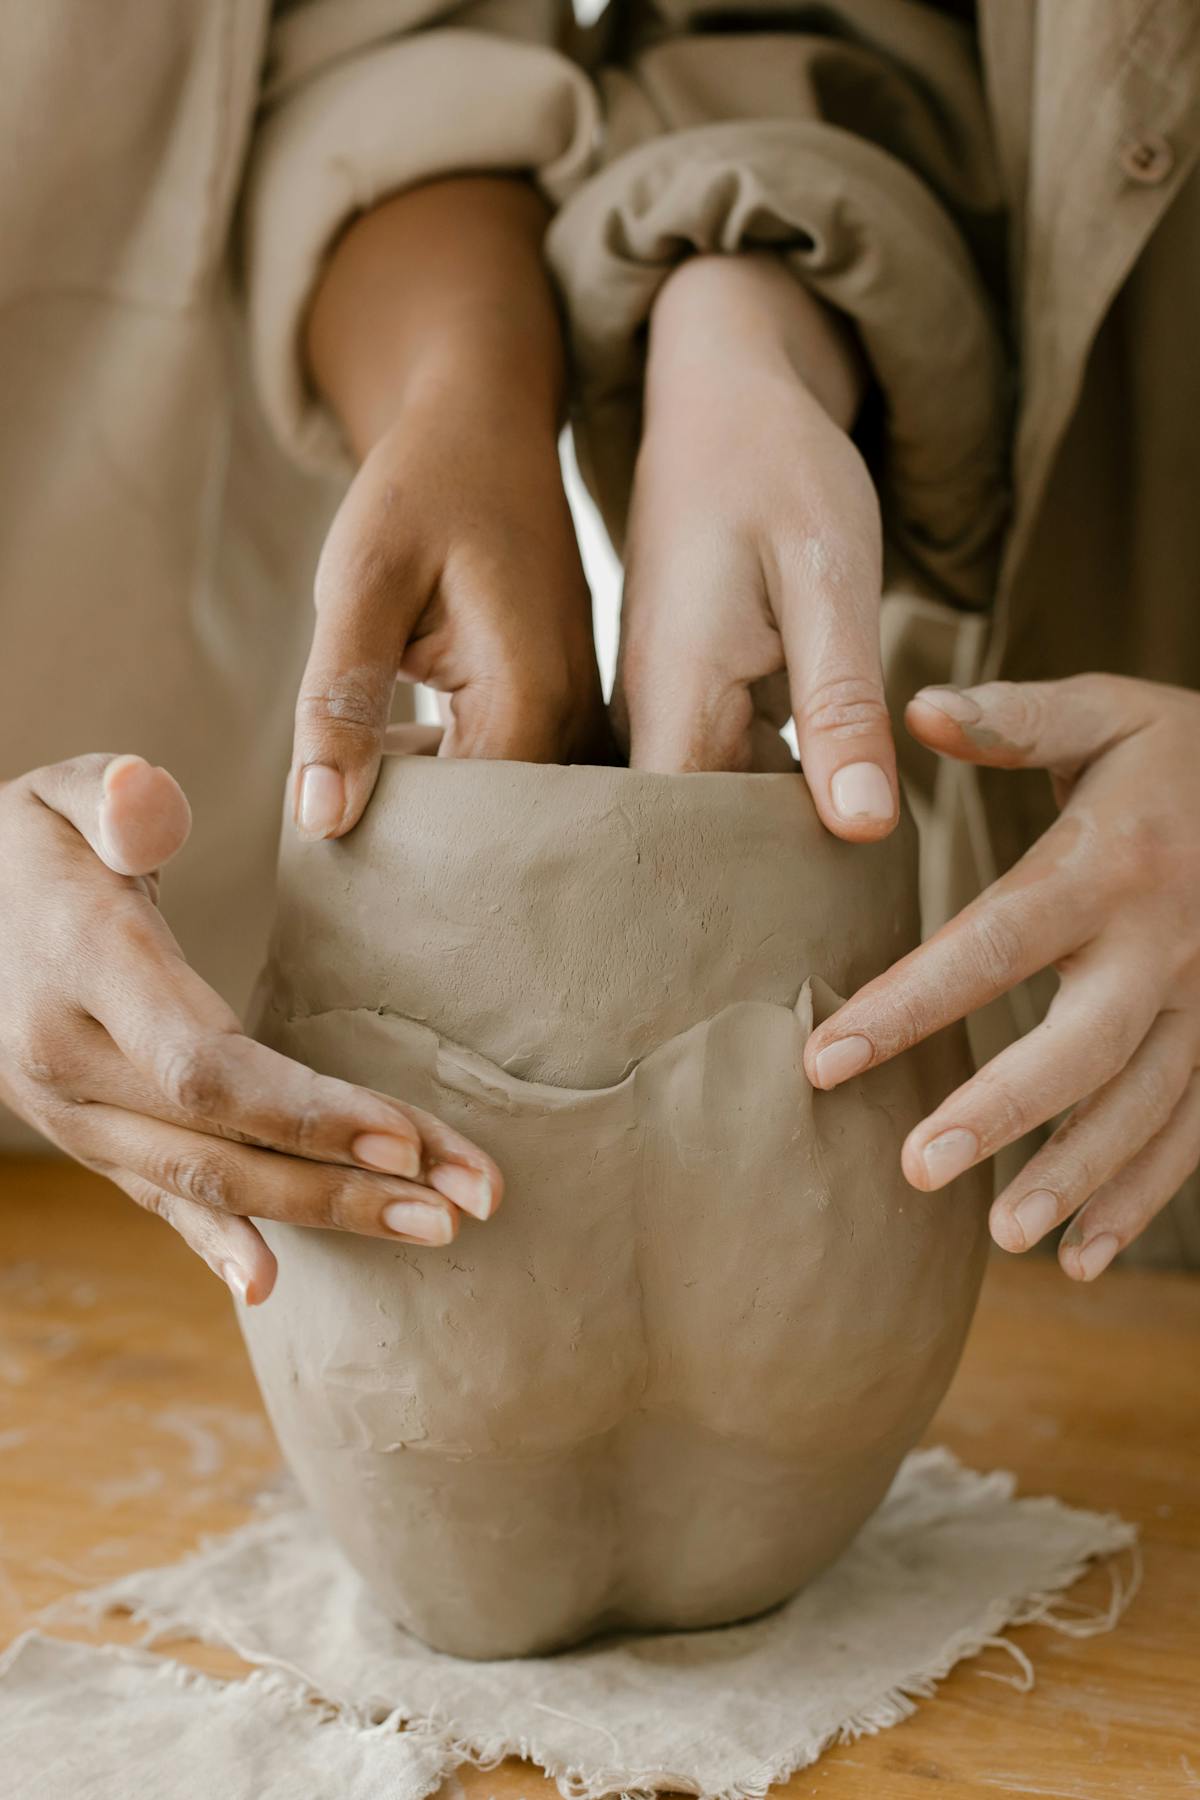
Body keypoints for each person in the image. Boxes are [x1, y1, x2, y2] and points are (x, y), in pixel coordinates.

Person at [2, 1, 1196, 1299]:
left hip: (1097, 940)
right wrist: (747, 298)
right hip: (108, 999)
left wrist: (473, 388)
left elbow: (377, 52)